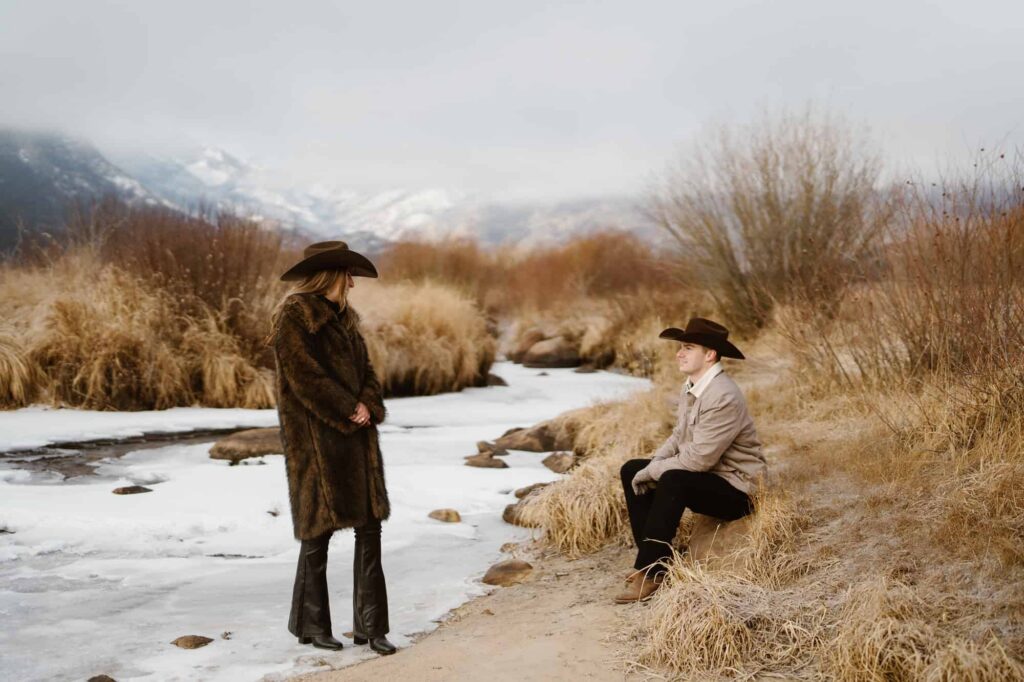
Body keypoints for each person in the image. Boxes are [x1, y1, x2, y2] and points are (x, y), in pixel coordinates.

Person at [269, 240, 397, 655]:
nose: (353, 285)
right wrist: (347, 408)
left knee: (369, 527)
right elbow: (303, 376)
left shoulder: (345, 318)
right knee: (318, 531)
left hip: (357, 437)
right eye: (349, 276)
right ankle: (310, 623)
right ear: (334, 275)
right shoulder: (294, 314)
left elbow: (368, 371)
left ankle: (371, 628)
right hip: (316, 439)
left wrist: (368, 406)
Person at [614, 317, 766, 604]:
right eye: (680, 347)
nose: (679, 353)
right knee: (632, 469)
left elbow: (698, 460)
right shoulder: (693, 387)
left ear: (710, 355)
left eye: (688, 347)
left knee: (672, 479)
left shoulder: (723, 395)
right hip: (711, 479)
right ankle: (653, 563)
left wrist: (655, 471)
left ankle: (650, 573)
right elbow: (678, 436)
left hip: (739, 490)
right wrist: (651, 466)